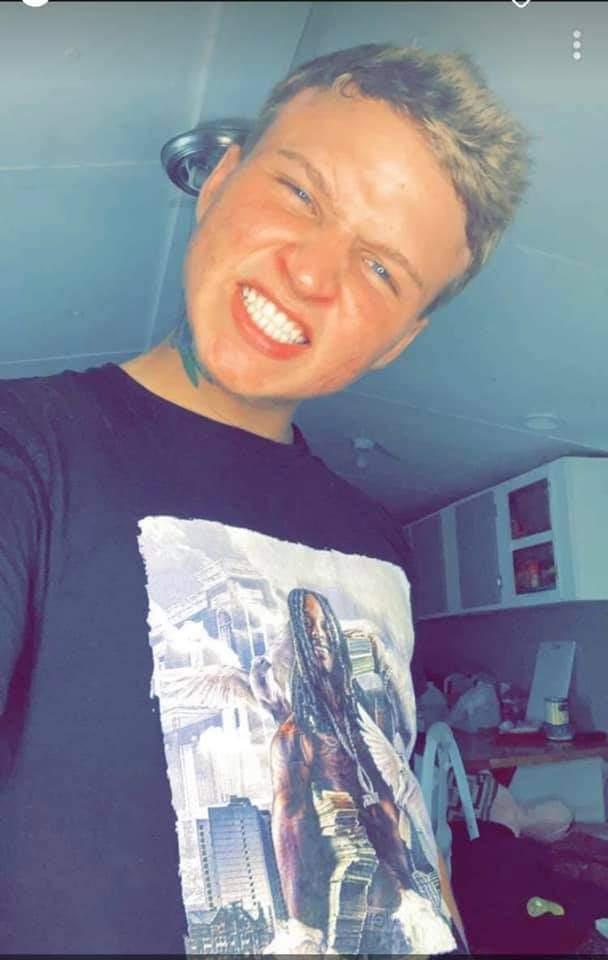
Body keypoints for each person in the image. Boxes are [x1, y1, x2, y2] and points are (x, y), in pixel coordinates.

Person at [0, 42, 532, 955]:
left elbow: (394, 815)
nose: (313, 275)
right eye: (301, 193)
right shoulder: (28, 450)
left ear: (398, 341)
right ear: (220, 180)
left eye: (381, 269)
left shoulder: (378, 543)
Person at [270, 588, 455, 954]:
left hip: (400, 890)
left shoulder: (359, 723)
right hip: (351, 901)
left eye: (325, 626)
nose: (320, 635)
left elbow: (390, 809)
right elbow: (288, 827)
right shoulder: (295, 737)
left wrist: (410, 884)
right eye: (309, 627)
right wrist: (302, 929)